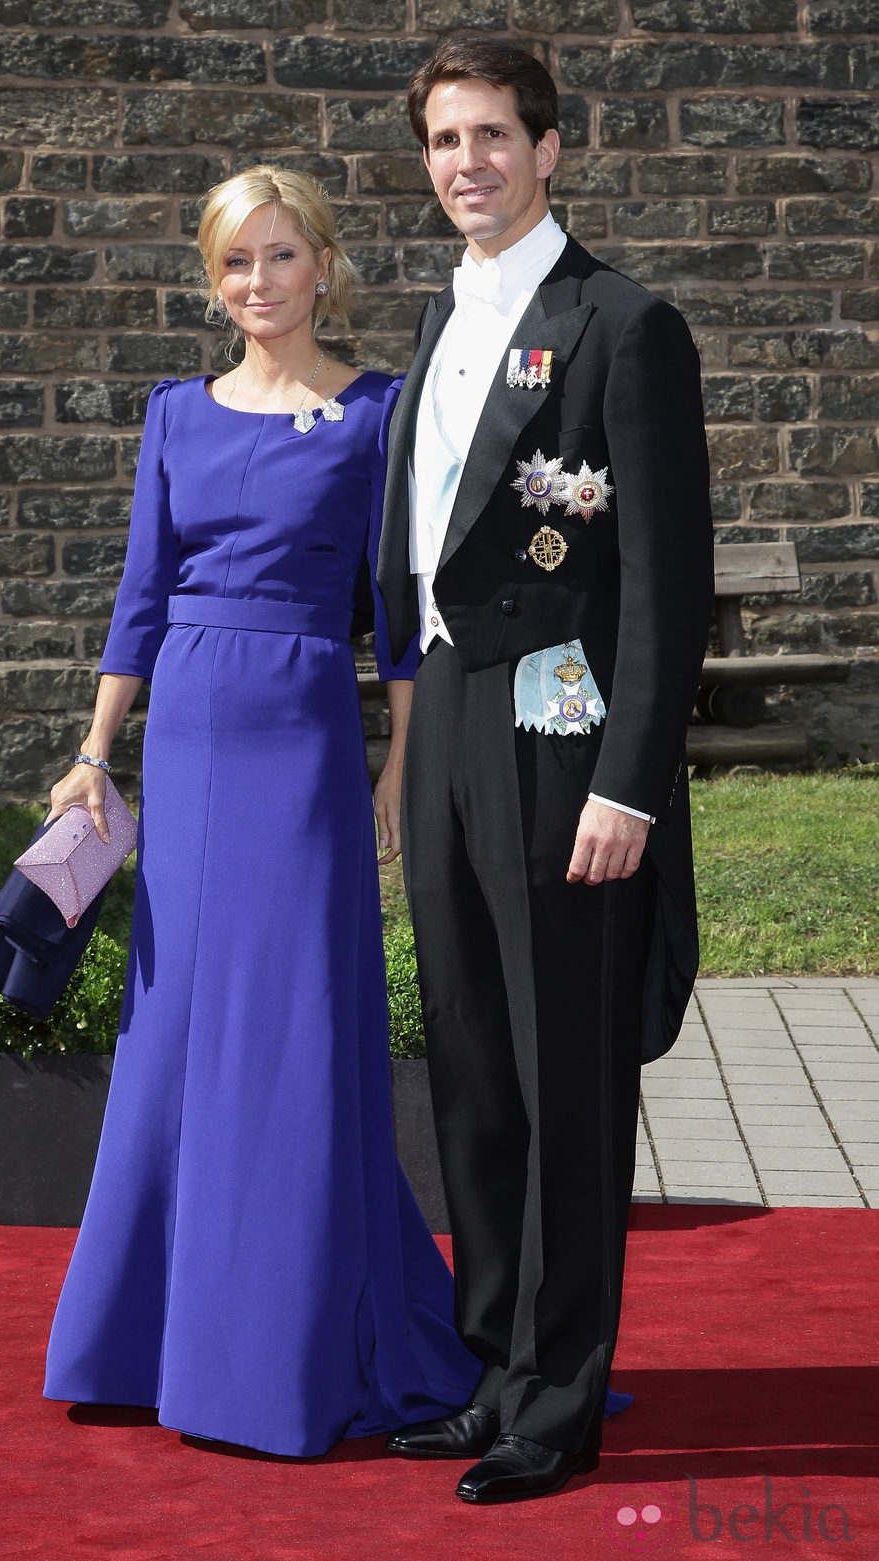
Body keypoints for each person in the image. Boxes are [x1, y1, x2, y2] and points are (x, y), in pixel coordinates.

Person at [42, 165, 480, 1458]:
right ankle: (144, 1339)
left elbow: (398, 611)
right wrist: (94, 750)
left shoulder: (376, 415)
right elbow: (139, 595)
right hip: (188, 728)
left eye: (281, 258)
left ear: (324, 267)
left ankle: (288, 1348)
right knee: (175, 1034)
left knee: (295, 1033)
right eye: (237, 263)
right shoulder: (175, 413)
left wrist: (399, 762)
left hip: (302, 733)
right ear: (212, 277)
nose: (259, 284)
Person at [376, 38, 714, 1502]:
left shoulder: (622, 325)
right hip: (452, 715)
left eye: (496, 136)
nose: (470, 163)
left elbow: (666, 584)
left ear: (553, 147)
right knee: (470, 1070)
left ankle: (561, 1399)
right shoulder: (435, 328)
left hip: (564, 738)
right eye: (448, 141)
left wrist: (629, 782)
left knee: (563, 1077)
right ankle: (493, 1366)